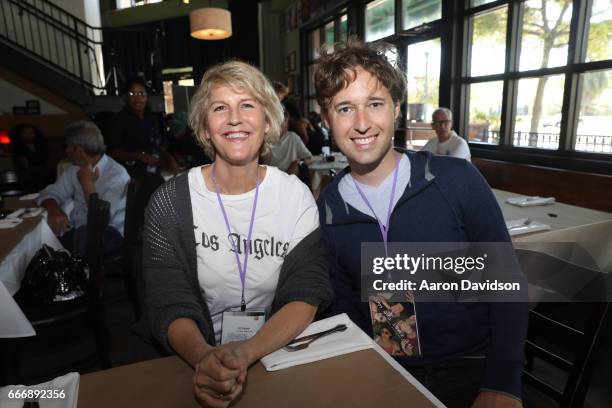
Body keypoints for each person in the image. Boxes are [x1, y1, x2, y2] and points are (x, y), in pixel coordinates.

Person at [314, 40, 526, 408]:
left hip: (472, 367)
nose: (362, 123)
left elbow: (506, 285)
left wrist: (503, 383)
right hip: (383, 370)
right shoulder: (328, 207)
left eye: (375, 104)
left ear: (396, 110)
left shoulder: (456, 180)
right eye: (345, 108)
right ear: (325, 118)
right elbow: (343, 304)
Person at [132, 60, 332, 407]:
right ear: (205, 128)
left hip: (269, 353)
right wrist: (205, 358)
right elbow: (167, 299)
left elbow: (306, 292)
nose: (234, 118)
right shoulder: (169, 202)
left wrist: (245, 352)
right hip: (183, 359)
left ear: (267, 121)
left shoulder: (294, 196)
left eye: (247, 105)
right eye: (220, 107)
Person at [37, 121, 130, 257]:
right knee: (41, 246)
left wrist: (87, 184)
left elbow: (101, 220)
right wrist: (53, 208)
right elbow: (50, 192)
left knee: (69, 242)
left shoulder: (116, 175)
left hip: (110, 235)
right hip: (80, 231)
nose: (66, 151)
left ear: (79, 150)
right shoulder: (74, 168)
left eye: (68, 147)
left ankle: (77, 272)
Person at [105, 78, 177, 177]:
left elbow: (157, 146)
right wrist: (139, 156)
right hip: (129, 175)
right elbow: (112, 153)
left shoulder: (152, 119)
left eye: (141, 94)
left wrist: (169, 158)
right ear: (126, 97)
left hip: (153, 172)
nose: (137, 99)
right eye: (132, 94)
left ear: (147, 97)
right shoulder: (118, 121)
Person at [268, 103, 313, 174]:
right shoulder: (266, 139)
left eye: (285, 121)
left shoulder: (292, 137)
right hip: (271, 178)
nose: (284, 124)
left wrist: (298, 163)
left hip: (289, 178)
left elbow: (309, 158)